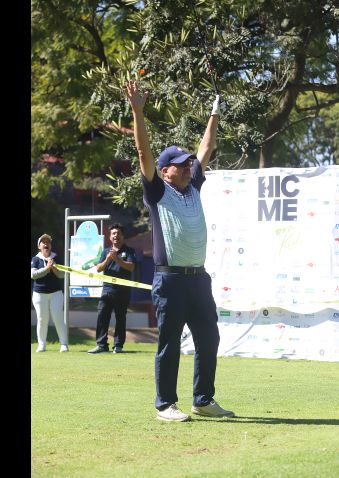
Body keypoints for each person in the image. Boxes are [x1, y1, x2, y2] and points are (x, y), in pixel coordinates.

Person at [124, 79, 235, 422]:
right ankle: (165, 406)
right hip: (169, 280)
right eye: (181, 165)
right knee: (169, 344)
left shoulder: (193, 186)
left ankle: (203, 400)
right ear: (165, 170)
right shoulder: (158, 191)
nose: (189, 167)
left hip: (198, 279)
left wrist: (215, 112)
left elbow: (206, 147)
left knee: (209, 338)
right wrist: (137, 111)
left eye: (189, 164)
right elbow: (143, 152)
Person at [87, 223, 137, 354]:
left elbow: (131, 267)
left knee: (121, 318)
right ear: (110, 237)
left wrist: (118, 259)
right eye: (113, 234)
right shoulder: (105, 251)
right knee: (102, 316)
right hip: (107, 290)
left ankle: (118, 346)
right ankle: (101, 345)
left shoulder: (129, 251)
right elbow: (98, 268)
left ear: (123, 236)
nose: (116, 236)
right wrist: (108, 259)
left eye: (118, 233)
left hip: (123, 291)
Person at [31, 233, 69, 352]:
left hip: (56, 293)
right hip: (39, 294)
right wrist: (47, 269)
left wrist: (54, 268)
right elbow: (33, 275)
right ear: (39, 246)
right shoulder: (35, 259)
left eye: (48, 242)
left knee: (58, 317)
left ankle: (64, 344)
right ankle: (42, 344)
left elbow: (62, 275)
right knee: (42, 319)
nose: (46, 244)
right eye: (44, 242)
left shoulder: (56, 257)